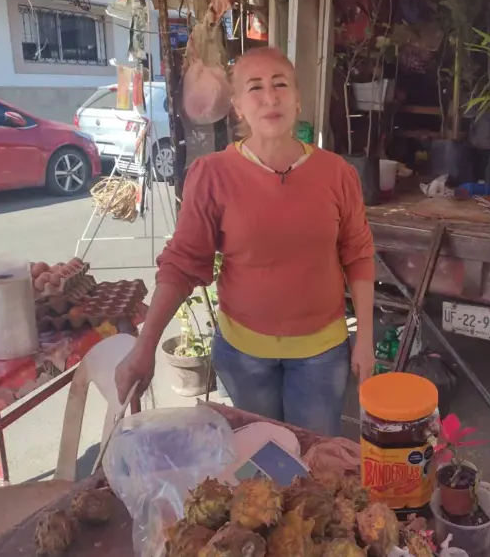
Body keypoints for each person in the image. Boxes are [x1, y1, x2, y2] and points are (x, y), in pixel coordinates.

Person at [114, 46, 376, 436]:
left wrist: (366, 339)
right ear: (237, 105)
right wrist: (145, 345)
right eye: (255, 87)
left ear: (298, 97)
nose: (270, 97)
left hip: (323, 354)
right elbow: (183, 263)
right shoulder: (212, 174)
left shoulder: (336, 173)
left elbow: (358, 253)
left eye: (280, 84)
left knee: (316, 464)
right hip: (244, 354)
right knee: (259, 463)